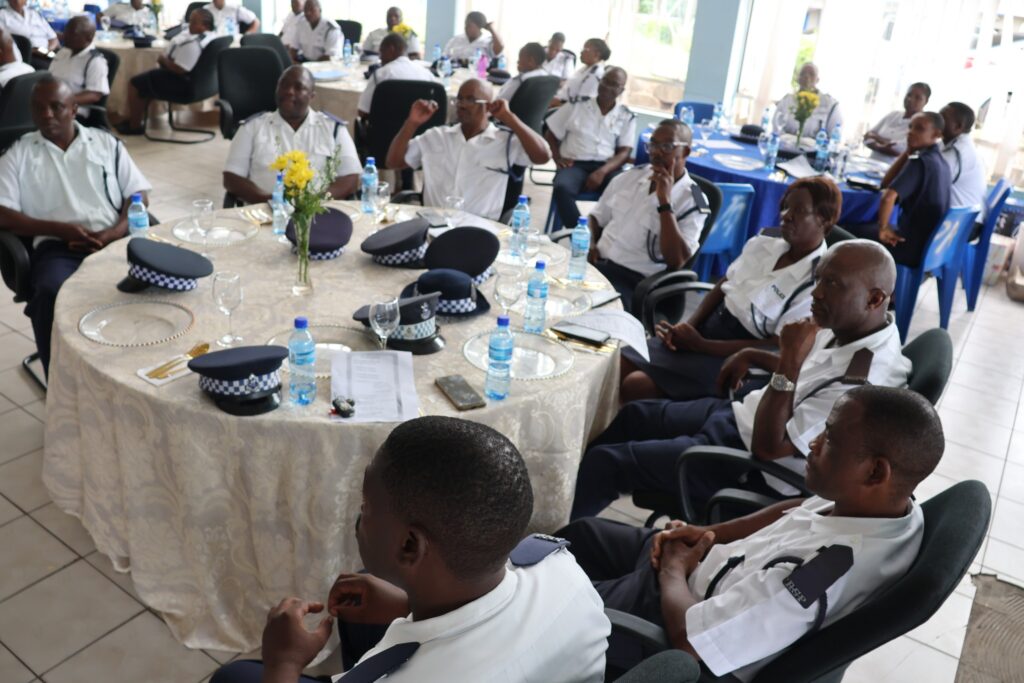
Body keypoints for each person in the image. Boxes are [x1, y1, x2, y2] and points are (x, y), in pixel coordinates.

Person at [559, 385, 941, 680]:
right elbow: (796, 509)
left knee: (553, 604)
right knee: (582, 537)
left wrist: (673, 567)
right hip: (703, 570)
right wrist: (707, 534)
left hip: (672, 618)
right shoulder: (882, 507)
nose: (813, 442)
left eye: (830, 439)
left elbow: (692, 644)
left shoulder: (821, 575)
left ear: (875, 472)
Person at [208, 416, 611, 683]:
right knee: (365, 593)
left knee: (235, 678)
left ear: (409, 545)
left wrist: (284, 663)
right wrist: (405, 604)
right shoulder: (564, 570)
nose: (359, 515)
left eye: (366, 507)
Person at [570, 240, 911, 520]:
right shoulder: (854, 327)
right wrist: (755, 355)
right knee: (633, 415)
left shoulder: (859, 385)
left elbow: (769, 447)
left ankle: (548, 543)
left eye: (833, 284)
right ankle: (564, 490)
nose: (816, 294)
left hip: (747, 462)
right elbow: (812, 372)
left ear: (875, 298)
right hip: (739, 414)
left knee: (608, 464)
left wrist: (788, 361)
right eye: (819, 279)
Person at [620, 177, 838, 404]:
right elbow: (725, 284)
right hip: (706, 330)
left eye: (799, 210)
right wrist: (688, 326)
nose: (786, 216)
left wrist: (702, 345)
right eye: (785, 207)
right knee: (619, 362)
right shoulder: (767, 238)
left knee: (637, 385)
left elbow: (779, 345)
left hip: (737, 356)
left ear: (825, 220)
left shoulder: (816, 279)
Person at [0, 77, 150, 374]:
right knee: (51, 291)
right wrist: (60, 230)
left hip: (113, 239)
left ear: (74, 109)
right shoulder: (19, 153)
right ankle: (60, 378)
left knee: (158, 280)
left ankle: (138, 366)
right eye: (38, 108)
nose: (47, 115)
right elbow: (3, 213)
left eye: (56, 107)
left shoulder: (105, 143)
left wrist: (116, 231)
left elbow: (137, 193)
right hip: (58, 247)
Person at [584, 119, 707, 313]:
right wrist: (590, 243)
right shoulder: (629, 177)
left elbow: (677, 260)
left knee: (589, 313)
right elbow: (595, 217)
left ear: (685, 152)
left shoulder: (693, 200)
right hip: (597, 267)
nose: (657, 152)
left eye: (667, 146)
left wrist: (664, 201)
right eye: (653, 145)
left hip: (636, 282)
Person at [386, 79, 551, 221]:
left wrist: (510, 118)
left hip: (479, 227)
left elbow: (543, 156)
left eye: (471, 100)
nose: (462, 105)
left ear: (488, 107)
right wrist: (412, 123)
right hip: (432, 223)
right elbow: (393, 162)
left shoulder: (505, 141)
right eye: (459, 99)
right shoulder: (436, 136)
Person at [224, 66, 360, 205]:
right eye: (284, 85)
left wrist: (312, 204)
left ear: (312, 96)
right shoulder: (252, 127)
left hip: (319, 214)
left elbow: (350, 178)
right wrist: (268, 201)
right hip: (264, 214)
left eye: (299, 87)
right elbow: (232, 177)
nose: (289, 91)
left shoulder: (333, 129)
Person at [852, 111, 951, 268]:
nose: (910, 132)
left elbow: (887, 197)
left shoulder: (921, 162)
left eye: (919, 129)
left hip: (907, 245)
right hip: (928, 246)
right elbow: (886, 183)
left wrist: (883, 228)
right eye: (910, 127)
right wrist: (907, 152)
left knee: (846, 230)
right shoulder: (941, 162)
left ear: (936, 134)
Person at [545, 67, 635, 229]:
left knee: (625, 193)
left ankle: (605, 238)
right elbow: (550, 133)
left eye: (614, 84)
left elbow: (625, 151)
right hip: (574, 164)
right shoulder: (576, 106)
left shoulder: (626, 115)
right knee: (562, 187)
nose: (607, 86)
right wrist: (557, 158)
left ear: (621, 90)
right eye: (605, 81)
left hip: (607, 167)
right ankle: (581, 235)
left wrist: (601, 172)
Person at [117, 8, 216, 135]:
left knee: (135, 83)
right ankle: (134, 119)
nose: (189, 26)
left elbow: (179, 69)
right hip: (203, 85)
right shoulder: (211, 38)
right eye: (189, 21)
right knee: (145, 80)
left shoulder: (193, 44)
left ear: (205, 26)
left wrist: (163, 60)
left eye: (193, 22)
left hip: (183, 85)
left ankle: (134, 126)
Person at [357, 33, 436, 118]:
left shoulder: (380, 75)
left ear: (391, 49)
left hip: (385, 130)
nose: (380, 57)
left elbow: (362, 111)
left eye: (382, 52)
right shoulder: (428, 75)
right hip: (421, 130)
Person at [48, 16, 109, 121]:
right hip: (50, 103)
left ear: (88, 38)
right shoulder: (63, 52)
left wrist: (61, 100)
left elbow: (94, 94)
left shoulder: (95, 61)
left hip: (72, 111)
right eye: (65, 32)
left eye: (73, 34)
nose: (65, 36)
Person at [863, 82, 930, 159]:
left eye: (917, 97)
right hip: (870, 164)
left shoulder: (922, 125)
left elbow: (900, 150)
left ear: (926, 101)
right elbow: (867, 136)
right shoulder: (893, 115)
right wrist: (883, 144)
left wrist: (876, 138)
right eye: (909, 95)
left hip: (892, 169)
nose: (910, 99)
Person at [939, 102, 987, 210]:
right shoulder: (946, 143)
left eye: (942, 118)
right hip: (958, 218)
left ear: (958, 126)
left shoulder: (958, 152)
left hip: (961, 222)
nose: (937, 122)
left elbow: (928, 182)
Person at [773, 63, 842, 136]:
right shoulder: (787, 100)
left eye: (811, 74)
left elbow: (834, 133)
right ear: (797, 78)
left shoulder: (829, 103)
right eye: (803, 73)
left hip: (813, 146)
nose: (806, 77)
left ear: (817, 80)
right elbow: (776, 124)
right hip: (785, 144)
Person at [0, 0, 58, 69]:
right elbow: (4, 42)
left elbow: (53, 38)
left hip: (48, 52)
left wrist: (48, 50)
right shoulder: (2, 15)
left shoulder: (34, 14)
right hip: (28, 55)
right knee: (53, 69)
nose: (18, 1)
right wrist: (33, 50)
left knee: (66, 61)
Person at [552, 38, 610, 106]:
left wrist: (554, 103)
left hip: (562, 109)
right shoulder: (586, 68)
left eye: (586, 49)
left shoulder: (595, 74)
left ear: (597, 54)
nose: (581, 52)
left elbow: (580, 103)